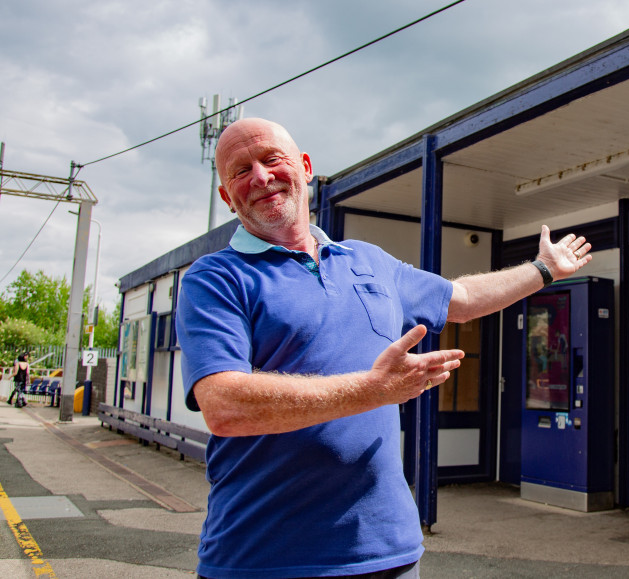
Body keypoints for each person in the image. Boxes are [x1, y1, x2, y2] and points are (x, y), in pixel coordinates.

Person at [176, 117, 592, 579]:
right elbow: (225, 405)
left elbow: (465, 299)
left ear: (305, 167)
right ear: (225, 197)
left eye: (272, 159)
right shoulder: (214, 278)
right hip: (263, 557)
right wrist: (373, 389)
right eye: (240, 170)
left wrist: (543, 269)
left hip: (388, 553)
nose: (260, 176)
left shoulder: (368, 261)